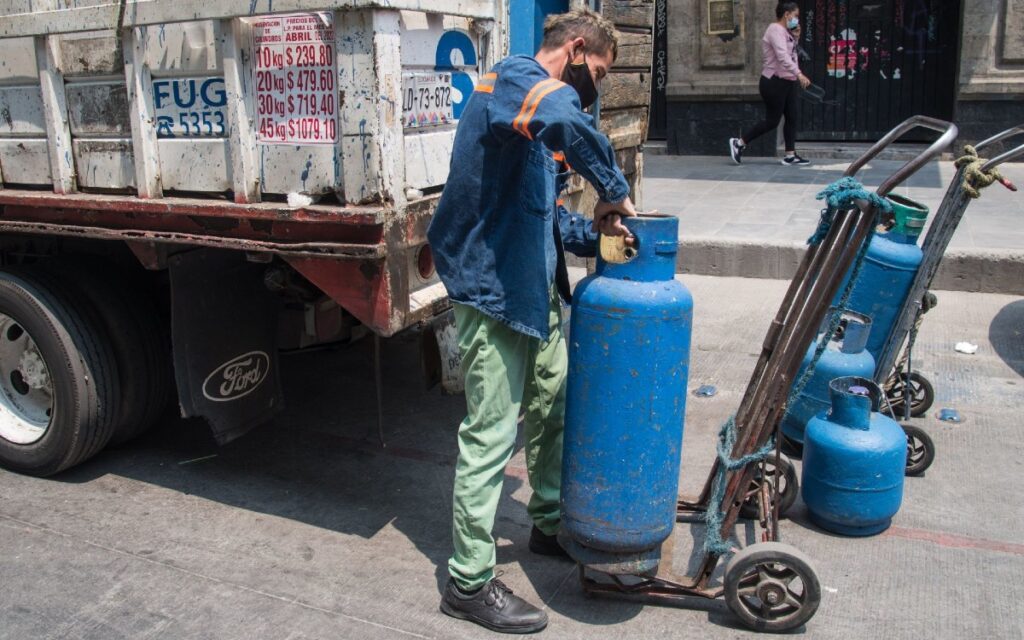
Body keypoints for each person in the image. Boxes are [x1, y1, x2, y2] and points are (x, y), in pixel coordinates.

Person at [426, 8, 637, 635]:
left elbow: (542, 215)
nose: (593, 87)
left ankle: (546, 524)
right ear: (574, 50)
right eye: (596, 71)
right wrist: (613, 188)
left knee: (552, 402)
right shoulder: (516, 82)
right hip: (491, 291)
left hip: (533, 288)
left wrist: (596, 234)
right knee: (492, 433)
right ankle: (467, 582)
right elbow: (568, 120)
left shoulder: (539, 116)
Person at [729, 2, 812, 166]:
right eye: (795, 16)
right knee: (772, 121)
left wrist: (795, 37)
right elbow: (782, 57)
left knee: (792, 117)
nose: (797, 19)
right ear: (786, 14)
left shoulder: (785, 32)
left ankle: (790, 155)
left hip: (787, 81)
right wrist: (799, 74)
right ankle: (738, 143)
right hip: (774, 82)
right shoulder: (775, 30)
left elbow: (791, 54)